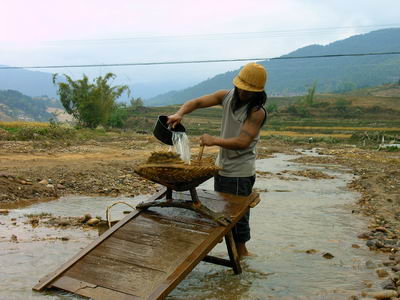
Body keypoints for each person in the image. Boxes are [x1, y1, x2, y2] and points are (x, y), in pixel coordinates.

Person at [167, 62, 268, 258]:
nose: (243, 93)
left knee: (238, 217)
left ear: (257, 93)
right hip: (222, 168)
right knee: (223, 212)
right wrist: (180, 113)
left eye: (249, 91)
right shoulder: (227, 96)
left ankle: (242, 255)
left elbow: (243, 142)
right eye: (242, 88)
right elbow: (196, 102)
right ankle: (234, 255)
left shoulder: (256, 112)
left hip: (240, 172)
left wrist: (214, 140)